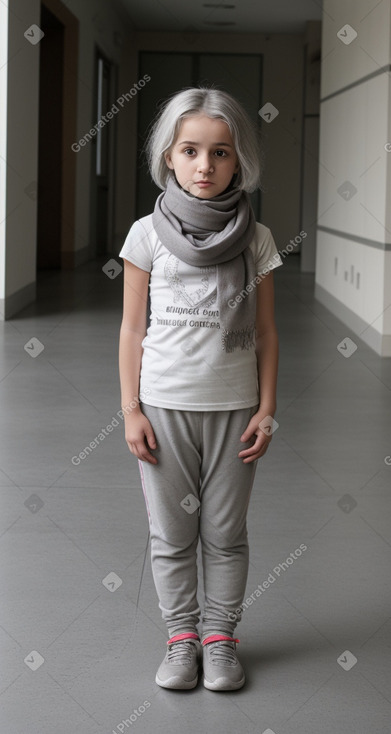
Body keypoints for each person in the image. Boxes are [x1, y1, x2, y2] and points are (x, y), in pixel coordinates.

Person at [118, 86, 283, 692]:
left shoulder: (258, 239)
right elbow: (133, 329)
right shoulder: (146, 236)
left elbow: (264, 331)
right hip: (163, 409)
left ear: (239, 160)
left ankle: (220, 640)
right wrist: (131, 410)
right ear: (169, 157)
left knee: (224, 534)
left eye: (220, 153)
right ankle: (181, 639)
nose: (204, 166)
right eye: (190, 150)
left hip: (234, 408)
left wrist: (267, 408)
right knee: (171, 535)